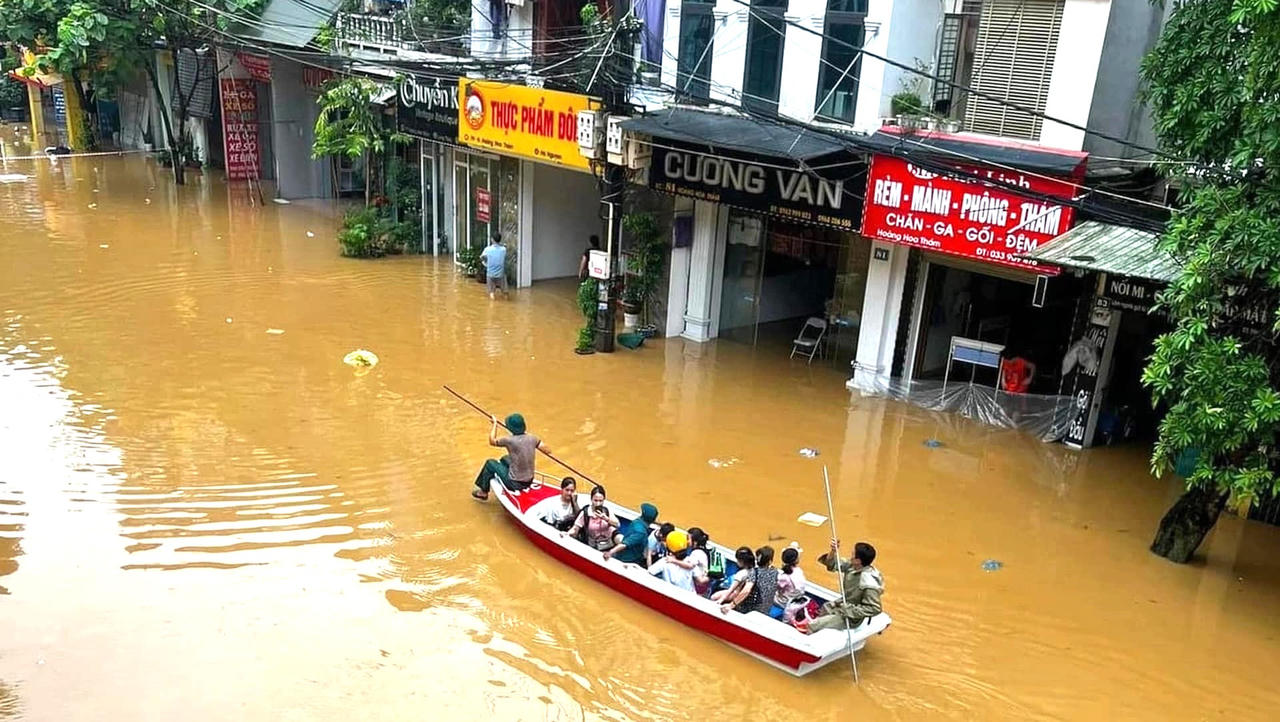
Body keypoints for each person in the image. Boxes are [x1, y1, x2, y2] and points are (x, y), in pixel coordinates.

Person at [806, 539, 884, 634]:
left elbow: (875, 608)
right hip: (842, 605)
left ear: (858, 560)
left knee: (814, 625)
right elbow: (832, 564)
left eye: (852, 554)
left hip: (851, 617)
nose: (850, 557)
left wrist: (849, 610)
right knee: (824, 609)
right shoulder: (853, 565)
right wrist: (833, 551)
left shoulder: (868, 582)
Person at [471, 413, 548, 501]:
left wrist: (495, 424)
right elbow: (547, 450)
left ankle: (483, 492)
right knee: (505, 458)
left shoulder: (509, 440)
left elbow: (492, 441)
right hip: (529, 480)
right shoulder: (533, 438)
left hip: (515, 483)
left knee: (490, 463)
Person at [566, 485, 620, 551]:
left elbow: (617, 524)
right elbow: (575, 528)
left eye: (600, 501)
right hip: (594, 544)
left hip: (609, 541)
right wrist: (567, 533)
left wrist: (606, 519)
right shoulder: (585, 513)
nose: (598, 503)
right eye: (595, 500)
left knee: (621, 539)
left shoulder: (607, 510)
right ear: (591, 499)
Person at [665, 527, 712, 596]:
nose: (687, 541)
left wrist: (673, 561)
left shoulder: (697, 553)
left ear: (695, 542)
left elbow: (689, 566)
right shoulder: (704, 549)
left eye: (688, 539)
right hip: (704, 585)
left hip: (699, 587)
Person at [713, 546, 758, 613]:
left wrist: (720, 600)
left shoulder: (741, 574)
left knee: (713, 597)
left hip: (735, 595)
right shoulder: (753, 571)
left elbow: (731, 590)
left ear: (742, 561)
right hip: (742, 597)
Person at [775, 543, 809, 622]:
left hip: (784, 602)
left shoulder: (784, 577)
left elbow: (775, 586)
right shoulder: (799, 571)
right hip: (795, 599)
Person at [750, 546, 780, 616]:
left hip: (753, 609)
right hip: (766, 610)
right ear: (770, 561)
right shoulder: (775, 572)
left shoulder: (753, 572)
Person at [480, 234, 509, 300]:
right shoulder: (503, 249)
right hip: (501, 274)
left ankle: (492, 305)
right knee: (505, 292)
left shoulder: (487, 249)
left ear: (492, 239)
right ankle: (506, 301)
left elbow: (481, 257)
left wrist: (486, 263)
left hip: (490, 273)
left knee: (491, 292)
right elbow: (504, 246)